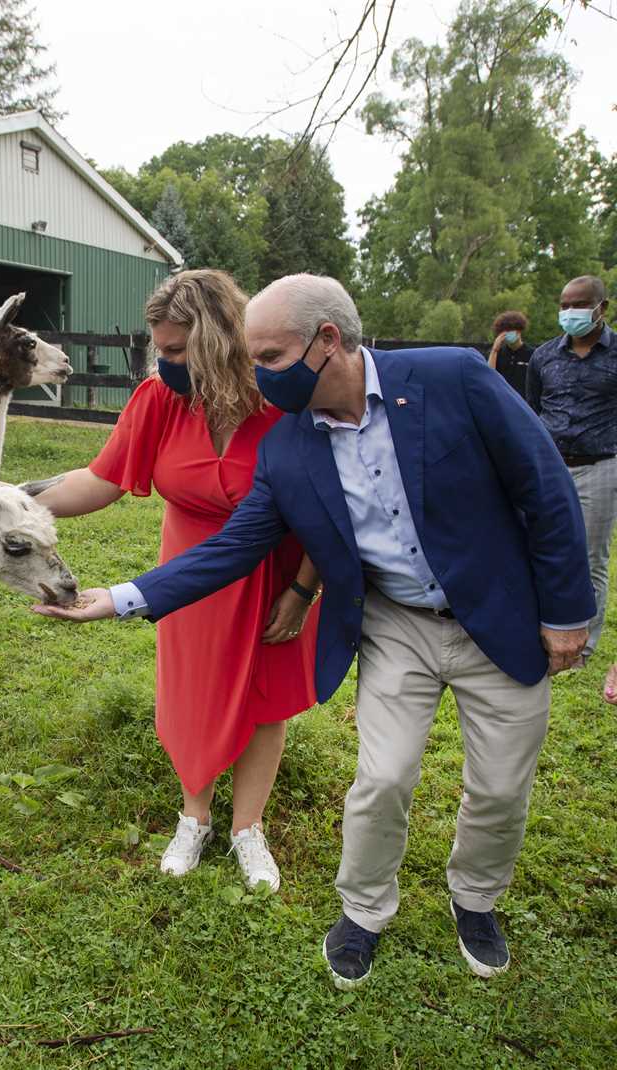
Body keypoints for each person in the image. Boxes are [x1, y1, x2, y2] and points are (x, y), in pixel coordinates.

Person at [36, 274, 593, 989]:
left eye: (269, 358)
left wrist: (567, 615)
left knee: (500, 788)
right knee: (382, 776)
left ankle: (476, 902)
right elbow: (235, 545)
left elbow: (545, 486)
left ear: (327, 341)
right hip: (396, 622)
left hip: (499, 616)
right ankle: (362, 913)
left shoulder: (452, 377)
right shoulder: (291, 445)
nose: (260, 377)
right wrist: (120, 597)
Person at [24, 269, 320, 891]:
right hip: (189, 570)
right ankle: (195, 816)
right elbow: (101, 480)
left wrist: (300, 590)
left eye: (178, 351)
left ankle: (248, 827)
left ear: (217, 341)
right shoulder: (158, 400)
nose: (164, 363)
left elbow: (323, 506)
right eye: (159, 349)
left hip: (273, 569)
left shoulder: (281, 404)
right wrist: (24, 505)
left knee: (266, 699)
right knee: (191, 689)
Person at [527, 276, 616, 662]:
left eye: (578, 304)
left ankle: (583, 645)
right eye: (564, 305)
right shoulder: (545, 356)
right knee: (538, 545)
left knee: (590, 556)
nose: (569, 312)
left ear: (602, 307)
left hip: (599, 464)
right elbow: (533, 408)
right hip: (549, 466)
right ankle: (538, 626)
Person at [487, 310, 534, 400]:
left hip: (525, 403)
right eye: (503, 331)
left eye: (509, 330)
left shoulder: (532, 354)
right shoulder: (497, 353)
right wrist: (494, 350)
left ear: (519, 330)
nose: (506, 333)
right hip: (503, 401)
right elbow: (489, 375)